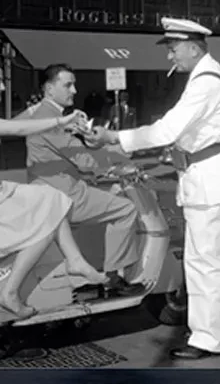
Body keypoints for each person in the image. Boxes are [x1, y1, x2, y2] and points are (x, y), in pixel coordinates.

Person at [86, 18, 220, 360]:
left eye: (173, 48)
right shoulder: (208, 74)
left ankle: (207, 338)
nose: (170, 56)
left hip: (210, 181)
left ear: (193, 47)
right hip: (211, 177)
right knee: (211, 260)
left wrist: (115, 137)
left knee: (203, 262)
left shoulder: (205, 82)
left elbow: (165, 131)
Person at [0, 58, 105, 320]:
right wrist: (60, 120)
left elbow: (11, 125)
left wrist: (39, 111)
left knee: (51, 199)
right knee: (42, 218)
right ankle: (10, 292)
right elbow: (16, 128)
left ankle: (75, 261)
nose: (2, 88)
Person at [25, 64, 144, 298]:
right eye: (68, 85)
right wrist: (119, 157)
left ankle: (83, 276)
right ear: (49, 89)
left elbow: (73, 151)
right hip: (65, 192)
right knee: (125, 210)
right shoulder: (50, 119)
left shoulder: (48, 116)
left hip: (51, 188)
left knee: (101, 204)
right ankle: (113, 276)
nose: (74, 90)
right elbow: (83, 158)